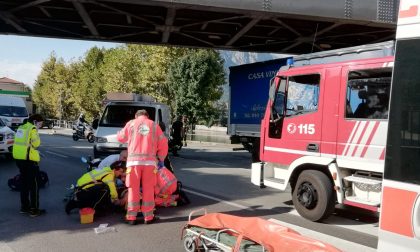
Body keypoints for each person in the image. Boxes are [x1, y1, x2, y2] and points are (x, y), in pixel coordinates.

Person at [117, 109, 168, 225]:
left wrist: (120, 132)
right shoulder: (154, 125)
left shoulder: (130, 123)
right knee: (148, 189)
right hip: (150, 163)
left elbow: (120, 138)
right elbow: (164, 143)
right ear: (147, 116)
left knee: (133, 189)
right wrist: (160, 158)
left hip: (133, 163)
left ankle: (131, 217)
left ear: (136, 116)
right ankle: (148, 217)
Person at [12, 114, 45, 217]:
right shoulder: (32, 129)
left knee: (24, 183)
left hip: (18, 159)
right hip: (28, 160)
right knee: (34, 184)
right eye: (40, 123)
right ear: (35, 121)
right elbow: (36, 144)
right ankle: (34, 210)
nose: (40, 126)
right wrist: (36, 133)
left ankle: (24, 207)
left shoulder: (21, 127)